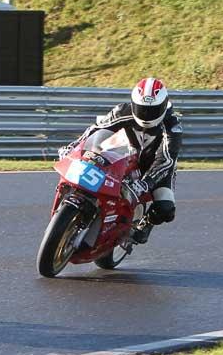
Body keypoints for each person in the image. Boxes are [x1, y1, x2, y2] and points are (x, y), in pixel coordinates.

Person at [59, 77, 182, 244]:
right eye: (142, 109)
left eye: (152, 110)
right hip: (123, 153)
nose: (146, 115)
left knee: (165, 208)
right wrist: (73, 147)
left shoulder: (172, 128)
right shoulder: (122, 111)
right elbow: (95, 129)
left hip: (154, 166)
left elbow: (166, 160)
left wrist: (147, 183)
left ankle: (144, 225)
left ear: (163, 106)